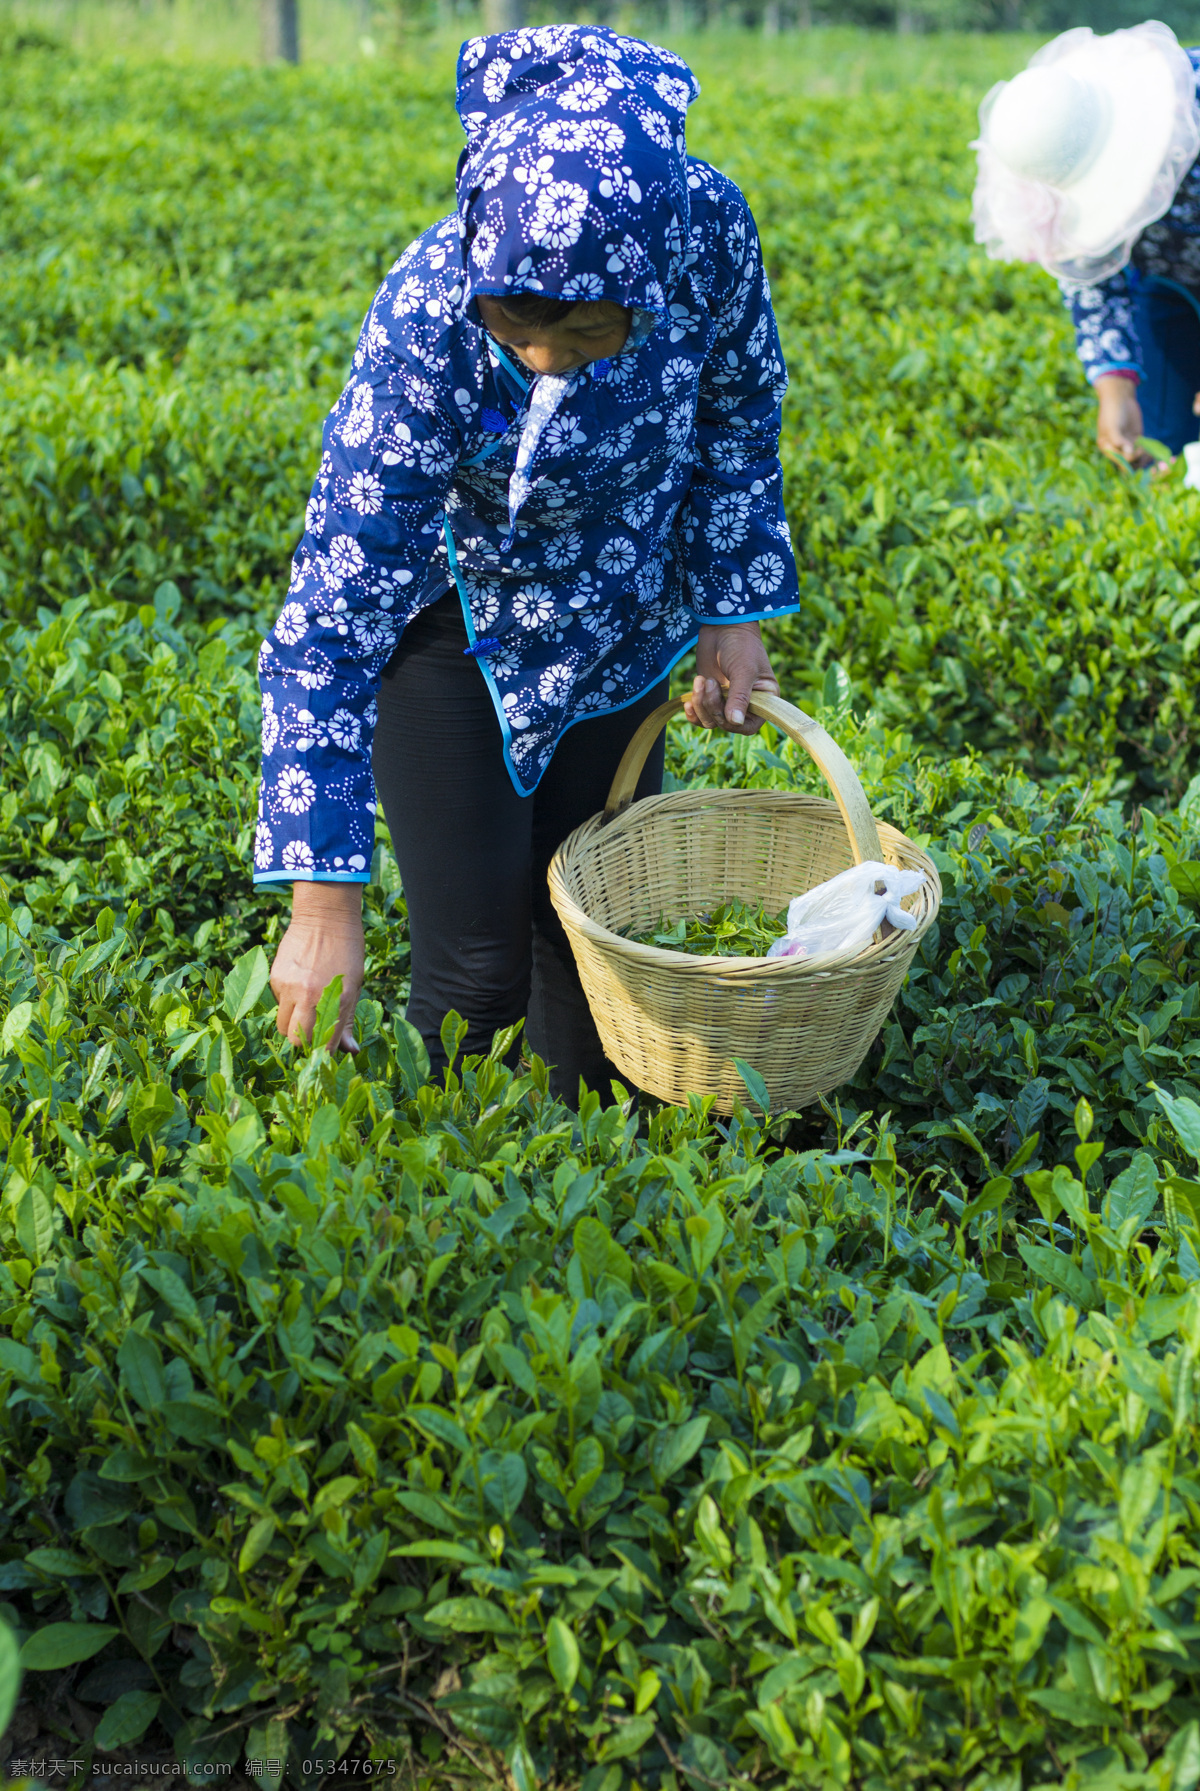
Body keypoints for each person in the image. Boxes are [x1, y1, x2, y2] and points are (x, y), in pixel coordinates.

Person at [256, 25, 801, 1099]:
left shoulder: (708, 232)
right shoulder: (428, 313)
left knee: (593, 940)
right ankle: (433, 1212)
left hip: (624, 611)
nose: (546, 365)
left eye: (590, 337)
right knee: (475, 969)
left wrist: (729, 615)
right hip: (460, 627)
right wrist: (323, 904)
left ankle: (587, 1210)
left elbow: (738, 414)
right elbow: (333, 610)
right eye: (518, 334)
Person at [972, 22, 1200, 465]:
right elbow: (1089, 273)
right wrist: (1115, 388)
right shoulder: (1051, 153)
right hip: (1166, 278)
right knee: (1167, 452)